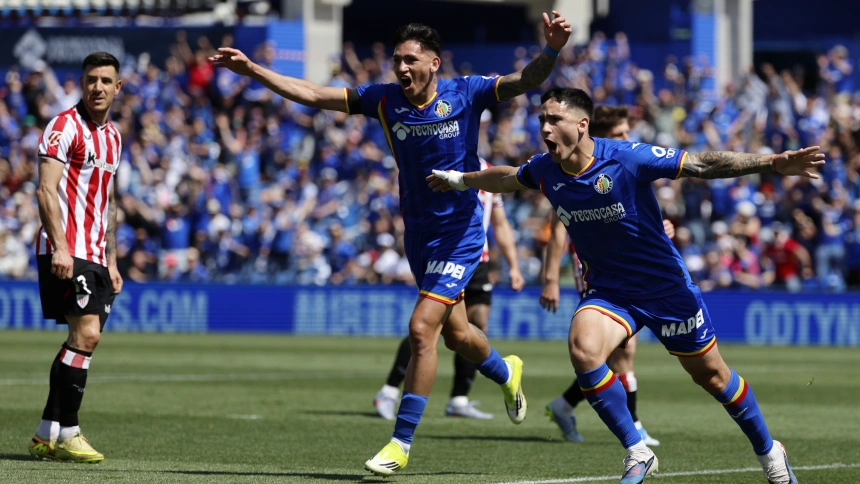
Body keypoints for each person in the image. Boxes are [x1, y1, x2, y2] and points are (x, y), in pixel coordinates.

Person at [211, 13, 571, 476]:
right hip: (418, 235)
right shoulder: (383, 100)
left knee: (422, 330)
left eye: (410, 60)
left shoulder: (467, 92)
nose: (401, 68)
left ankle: (400, 443)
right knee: (458, 335)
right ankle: (507, 372)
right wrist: (253, 71)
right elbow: (314, 94)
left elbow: (526, 80)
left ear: (434, 63)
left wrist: (552, 49)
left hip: (460, 233)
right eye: (397, 60)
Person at [429, 87, 817, 484]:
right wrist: (461, 180)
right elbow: (507, 177)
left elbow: (700, 163)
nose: (544, 127)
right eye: (542, 119)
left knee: (713, 377)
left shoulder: (626, 157)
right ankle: (637, 450)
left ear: (582, 124)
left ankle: (769, 450)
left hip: (665, 288)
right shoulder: (545, 169)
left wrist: (773, 162)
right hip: (610, 291)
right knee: (583, 349)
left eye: (554, 119)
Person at [540, 105, 667, 445]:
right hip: (593, 267)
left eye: (627, 132)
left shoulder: (627, 164)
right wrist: (550, 278)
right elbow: (557, 230)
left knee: (611, 352)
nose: (627, 138)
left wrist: (661, 229)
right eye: (619, 134)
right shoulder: (573, 172)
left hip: (628, 267)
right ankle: (634, 425)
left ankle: (564, 405)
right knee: (621, 349)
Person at [374, 158, 526, 421]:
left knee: (472, 326)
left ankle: (459, 399)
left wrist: (513, 266)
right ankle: (389, 391)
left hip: (478, 260)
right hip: (449, 256)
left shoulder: (490, 171)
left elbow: (500, 223)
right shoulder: (445, 162)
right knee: (429, 324)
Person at [30, 52, 124, 464]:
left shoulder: (114, 137)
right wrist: (62, 246)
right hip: (67, 248)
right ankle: (69, 432)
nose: (97, 87)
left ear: (117, 87)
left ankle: (45, 432)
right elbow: (45, 190)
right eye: (91, 79)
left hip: (96, 254)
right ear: (81, 83)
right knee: (87, 336)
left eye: (105, 80)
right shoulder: (63, 126)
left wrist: (113, 261)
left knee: (79, 340)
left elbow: (109, 202)